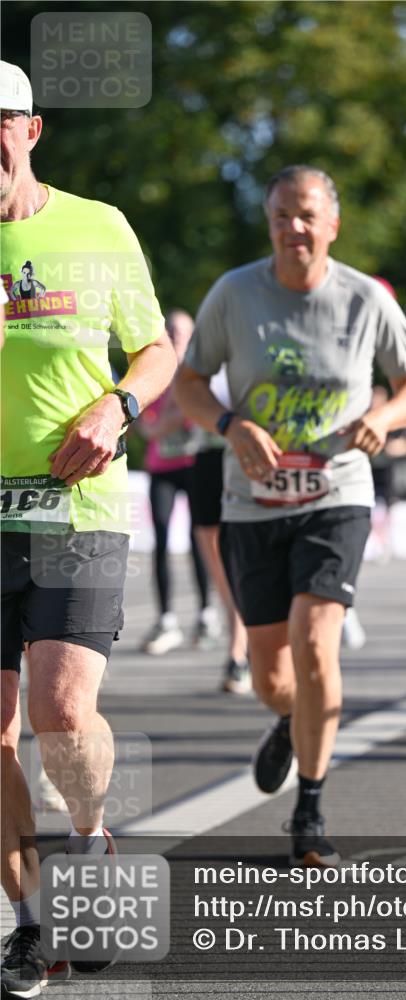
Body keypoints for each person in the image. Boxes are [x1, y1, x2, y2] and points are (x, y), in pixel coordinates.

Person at [175, 164, 406, 865]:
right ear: (269, 224)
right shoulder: (234, 293)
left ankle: (309, 810)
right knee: (270, 676)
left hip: (335, 495)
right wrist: (230, 425)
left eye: (308, 215)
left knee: (317, 643)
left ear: (332, 225)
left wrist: (384, 417)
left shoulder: (365, 299)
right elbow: (188, 381)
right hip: (253, 502)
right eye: (282, 215)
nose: (295, 227)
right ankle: (290, 720)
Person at [0, 61, 176, 997]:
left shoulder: (98, 226)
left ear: (32, 130)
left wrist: (117, 406)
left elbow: (154, 348)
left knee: (62, 711)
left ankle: (89, 836)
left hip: (78, 505)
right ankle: (32, 924)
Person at [137, 309, 217, 655]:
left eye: (183, 331)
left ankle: (206, 613)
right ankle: (166, 617)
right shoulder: (155, 370)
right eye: (171, 330)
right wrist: (174, 409)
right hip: (162, 467)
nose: (177, 336)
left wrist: (174, 412)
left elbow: (199, 412)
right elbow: (147, 425)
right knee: (161, 538)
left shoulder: (200, 372)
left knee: (202, 538)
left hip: (195, 463)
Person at [189, 365, 250, 692]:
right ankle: (239, 642)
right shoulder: (197, 358)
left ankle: (243, 646)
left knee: (245, 556)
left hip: (244, 456)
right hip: (206, 457)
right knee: (218, 562)